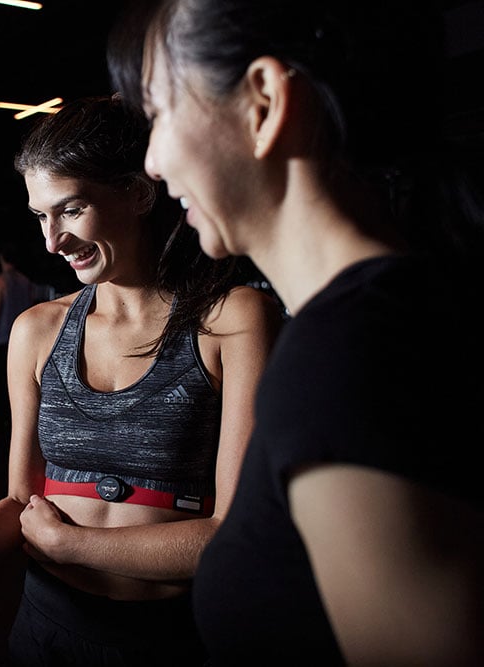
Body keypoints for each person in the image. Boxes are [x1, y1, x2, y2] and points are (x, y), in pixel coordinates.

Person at [0, 95, 282, 665]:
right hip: (47, 626)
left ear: (139, 192)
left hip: (172, 635)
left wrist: (73, 543)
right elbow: (21, 504)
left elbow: (237, 534)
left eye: (71, 210)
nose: (52, 241)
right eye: (40, 217)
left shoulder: (231, 318)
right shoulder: (38, 331)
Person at [106, 1, 484, 664]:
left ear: (263, 102)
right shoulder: (387, 314)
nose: (154, 163)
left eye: (159, 114)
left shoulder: (346, 353)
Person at [0, 241, 39, 426]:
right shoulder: (26, 281)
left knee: (2, 385)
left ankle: (3, 423)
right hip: (23, 341)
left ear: (0, 258)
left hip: (2, 339)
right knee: (21, 386)